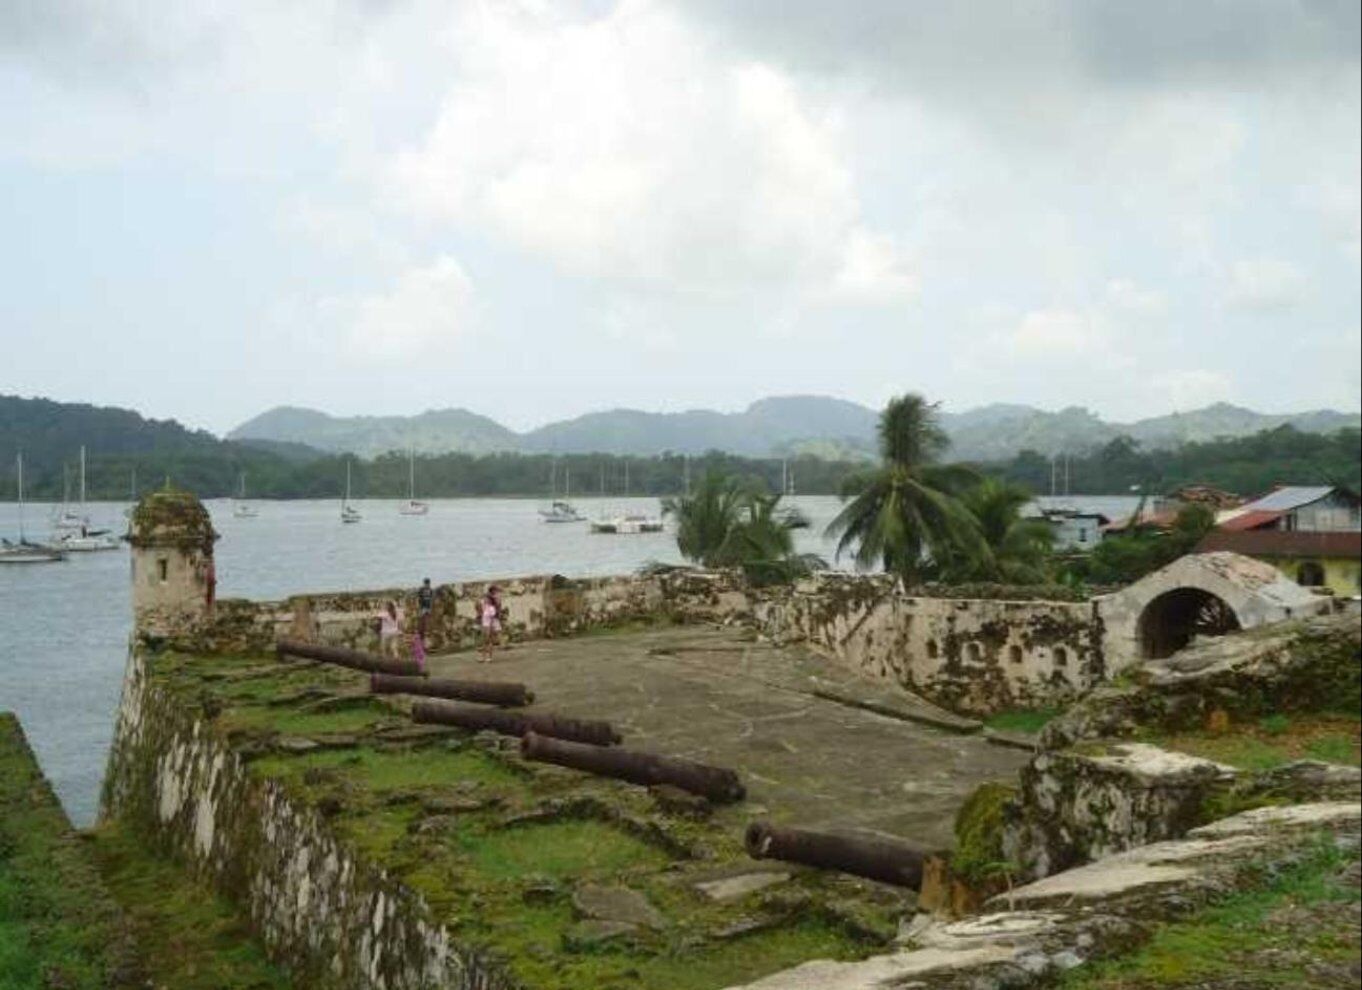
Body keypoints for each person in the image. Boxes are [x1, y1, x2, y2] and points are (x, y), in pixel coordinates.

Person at [478, 585, 503, 663]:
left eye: (486, 599)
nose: (485, 599)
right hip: (485, 622)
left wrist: (491, 627)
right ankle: (483, 657)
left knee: (489, 640)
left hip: (490, 623)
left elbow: (492, 617)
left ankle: (489, 657)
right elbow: (480, 610)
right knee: (485, 640)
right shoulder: (485, 605)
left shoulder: (492, 607)